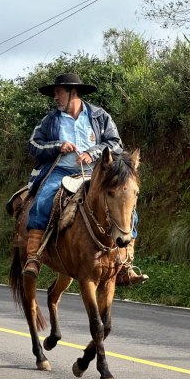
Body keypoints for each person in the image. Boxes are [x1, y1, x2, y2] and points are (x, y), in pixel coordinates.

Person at [24, 73, 148, 286]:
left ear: (73, 92)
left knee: (128, 206)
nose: (55, 97)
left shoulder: (100, 116)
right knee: (42, 201)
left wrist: (93, 153)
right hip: (61, 171)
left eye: (58, 92)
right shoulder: (50, 120)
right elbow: (33, 145)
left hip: (97, 173)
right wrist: (57, 147)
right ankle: (33, 258)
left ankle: (125, 264)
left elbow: (115, 143)